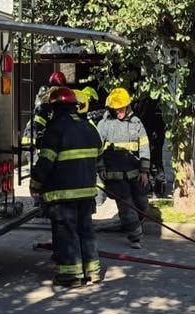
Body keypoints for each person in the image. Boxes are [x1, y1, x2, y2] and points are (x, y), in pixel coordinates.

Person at [30, 87, 103, 288]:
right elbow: (99, 153)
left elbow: (45, 162)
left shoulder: (55, 130)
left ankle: (71, 276)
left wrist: (35, 184)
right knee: (86, 230)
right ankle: (93, 272)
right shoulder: (89, 128)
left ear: (57, 108)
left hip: (62, 194)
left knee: (66, 233)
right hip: (87, 193)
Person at [96, 88, 151, 249]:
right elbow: (97, 149)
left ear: (128, 106)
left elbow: (144, 148)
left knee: (142, 204)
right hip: (114, 176)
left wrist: (144, 171)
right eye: (116, 109)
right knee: (126, 206)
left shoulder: (136, 123)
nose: (119, 112)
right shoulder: (104, 125)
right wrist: (100, 168)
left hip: (135, 174)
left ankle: (131, 225)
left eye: (122, 108)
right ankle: (135, 237)